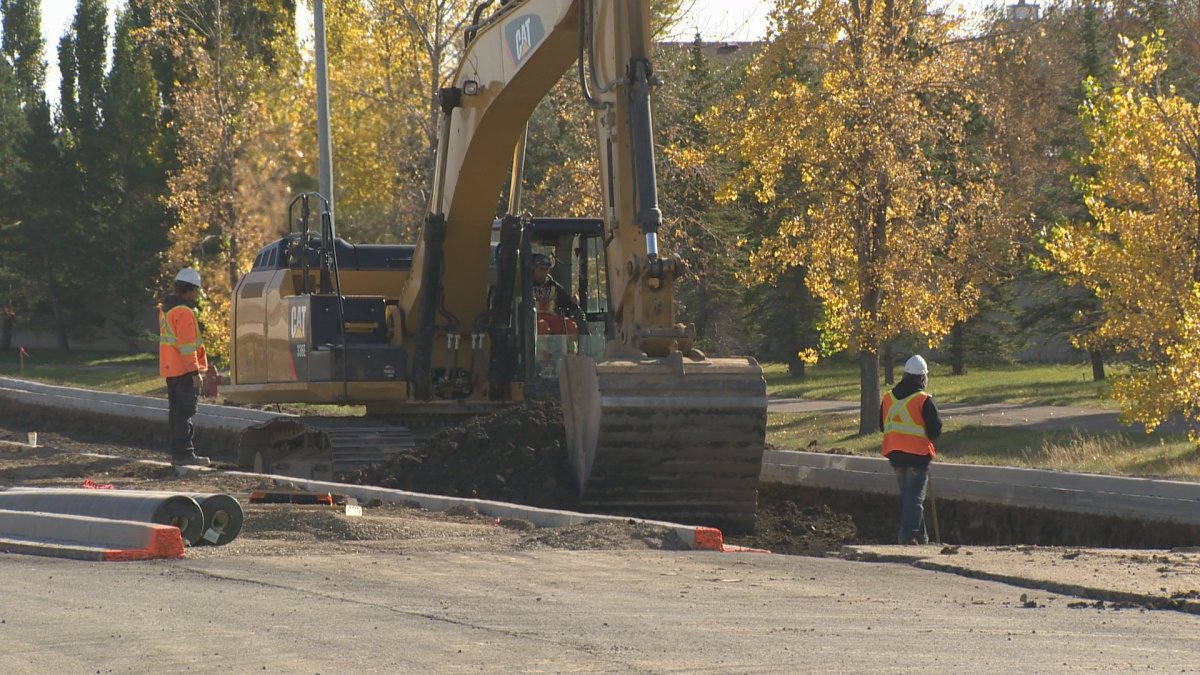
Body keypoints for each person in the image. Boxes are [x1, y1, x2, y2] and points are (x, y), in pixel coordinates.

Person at [880, 354, 942, 544]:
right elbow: (935, 430)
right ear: (923, 378)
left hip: (895, 456)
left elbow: (882, 426)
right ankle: (906, 536)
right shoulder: (924, 400)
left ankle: (922, 539)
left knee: (909, 498)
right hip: (917, 457)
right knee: (914, 499)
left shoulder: (888, 398)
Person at [159, 267, 211, 467]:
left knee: (176, 413)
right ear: (189, 289)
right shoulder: (184, 313)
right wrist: (195, 372)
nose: (197, 293)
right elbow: (187, 346)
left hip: (171, 369)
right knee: (185, 412)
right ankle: (185, 454)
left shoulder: (167, 309)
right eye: (196, 289)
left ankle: (178, 453)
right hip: (183, 370)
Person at [531, 253, 582, 338]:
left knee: (571, 326)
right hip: (533, 318)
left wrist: (573, 300)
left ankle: (570, 351)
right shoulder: (526, 285)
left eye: (546, 269)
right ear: (533, 269)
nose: (544, 272)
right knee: (542, 326)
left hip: (552, 317)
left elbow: (565, 300)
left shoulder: (553, 285)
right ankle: (542, 351)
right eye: (541, 269)